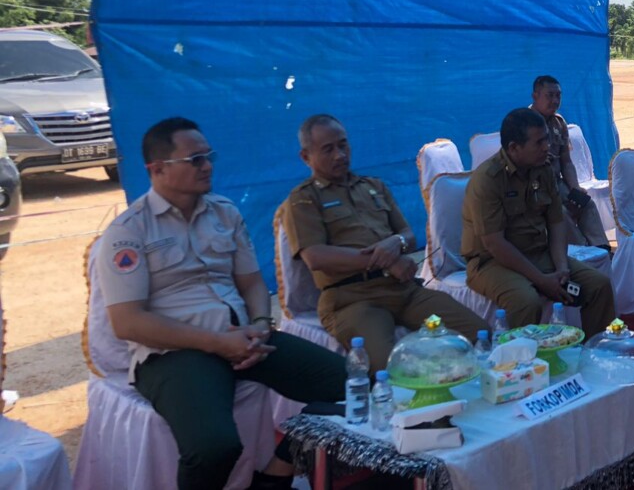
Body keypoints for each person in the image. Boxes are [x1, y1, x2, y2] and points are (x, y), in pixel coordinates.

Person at [97, 117, 346, 490]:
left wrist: (260, 325)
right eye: (195, 160)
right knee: (214, 447)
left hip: (244, 339)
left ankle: (276, 473)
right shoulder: (129, 230)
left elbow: (252, 283)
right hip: (176, 354)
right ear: (157, 169)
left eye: (209, 156)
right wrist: (217, 343)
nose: (208, 166)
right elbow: (127, 322)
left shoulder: (224, 212)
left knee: (352, 385)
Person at [282, 115, 487, 372]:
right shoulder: (304, 199)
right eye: (328, 149)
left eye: (343, 145)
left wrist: (395, 242)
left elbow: (407, 234)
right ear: (306, 156)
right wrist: (387, 261)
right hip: (353, 300)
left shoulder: (373, 186)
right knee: (388, 368)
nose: (339, 155)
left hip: (403, 290)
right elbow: (315, 256)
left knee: (480, 334)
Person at [462, 108, 615, 337]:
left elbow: (556, 223)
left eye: (547, 139)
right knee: (526, 302)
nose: (547, 147)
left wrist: (562, 267)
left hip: (538, 253)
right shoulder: (488, 180)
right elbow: (494, 244)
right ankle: (523, 358)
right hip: (492, 262)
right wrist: (542, 281)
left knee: (598, 286)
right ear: (514, 148)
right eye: (539, 142)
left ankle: (595, 350)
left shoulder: (543, 169)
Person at [529, 75, 610, 249]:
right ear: (535, 96)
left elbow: (566, 162)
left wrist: (575, 188)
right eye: (549, 95)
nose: (555, 100)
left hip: (558, 184)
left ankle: (602, 252)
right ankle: (582, 254)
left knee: (586, 204)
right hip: (534, 188)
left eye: (558, 96)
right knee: (561, 214)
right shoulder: (524, 123)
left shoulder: (559, 123)